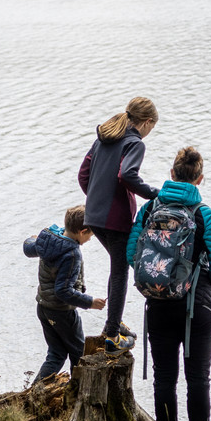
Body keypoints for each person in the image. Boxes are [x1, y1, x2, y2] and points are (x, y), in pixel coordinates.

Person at [127, 146, 211, 421]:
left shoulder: (149, 208)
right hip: (198, 302)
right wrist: (205, 286)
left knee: (164, 376)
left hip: (158, 303)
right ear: (200, 178)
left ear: (171, 174)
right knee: (198, 377)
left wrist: (157, 281)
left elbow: (133, 254)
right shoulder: (203, 213)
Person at [78, 96, 159, 353]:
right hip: (115, 219)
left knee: (116, 268)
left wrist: (95, 199)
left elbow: (83, 174)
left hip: (94, 216)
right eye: (152, 128)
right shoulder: (134, 143)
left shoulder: (104, 138)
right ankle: (112, 336)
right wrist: (153, 194)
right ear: (147, 122)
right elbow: (127, 174)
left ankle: (112, 324)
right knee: (120, 272)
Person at [22, 204, 107, 384]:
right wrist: (90, 302)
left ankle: (34, 393)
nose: (90, 239)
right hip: (62, 312)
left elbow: (28, 248)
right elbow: (63, 291)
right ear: (82, 231)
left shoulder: (48, 239)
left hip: (43, 307)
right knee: (79, 353)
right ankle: (77, 393)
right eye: (90, 235)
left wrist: (33, 239)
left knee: (57, 353)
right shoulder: (72, 254)